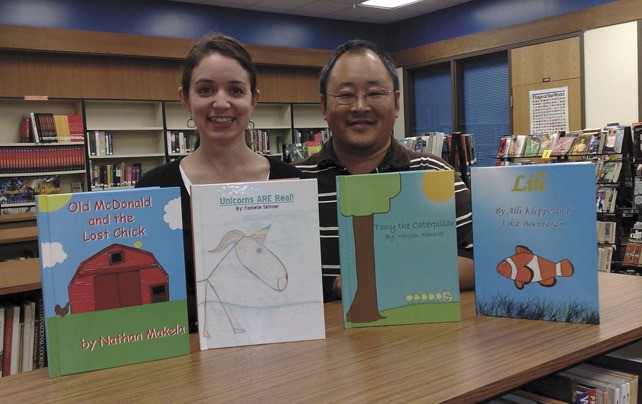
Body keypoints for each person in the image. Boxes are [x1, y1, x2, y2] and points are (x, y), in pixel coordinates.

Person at [136, 32, 301, 332]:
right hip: (186, 359)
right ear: (185, 99)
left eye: (236, 90)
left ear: (254, 100)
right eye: (206, 90)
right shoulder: (155, 190)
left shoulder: (292, 183)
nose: (221, 103)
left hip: (280, 350)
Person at [296, 39, 474, 301]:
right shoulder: (294, 183)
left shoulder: (434, 175)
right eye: (345, 95)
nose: (360, 106)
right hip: (327, 339)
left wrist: (382, 278)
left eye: (374, 93)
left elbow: (476, 260)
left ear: (397, 102)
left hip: (419, 336)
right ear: (324, 106)